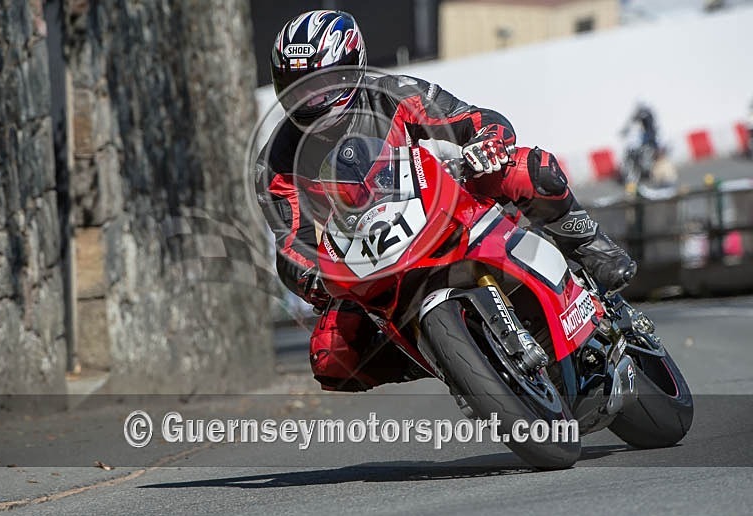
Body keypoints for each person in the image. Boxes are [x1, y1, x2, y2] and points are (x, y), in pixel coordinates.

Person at [255, 10, 636, 392]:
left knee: (526, 169)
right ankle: (451, 358)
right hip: (366, 258)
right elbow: (290, 243)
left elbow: (475, 119)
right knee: (331, 354)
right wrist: (314, 276)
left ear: (353, 69)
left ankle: (591, 246)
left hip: (436, 202)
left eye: (322, 86)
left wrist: (487, 142)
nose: (311, 101)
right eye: (298, 88)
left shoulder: (393, 95)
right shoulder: (275, 161)